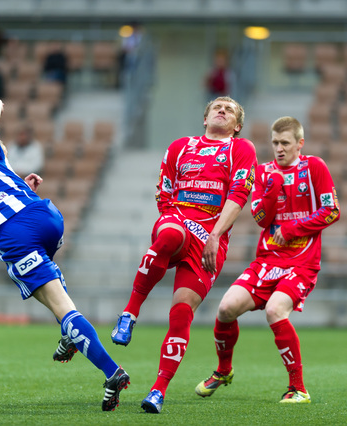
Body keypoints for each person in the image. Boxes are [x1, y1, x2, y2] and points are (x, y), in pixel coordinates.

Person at [0, 99, 129, 411]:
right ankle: (69, 336)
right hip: (47, 216)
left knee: (61, 307)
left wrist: (19, 186)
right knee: (51, 286)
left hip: (16, 235)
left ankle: (111, 371)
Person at [111, 96, 257, 413]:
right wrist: (170, 216)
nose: (222, 110)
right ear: (204, 118)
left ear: (238, 125)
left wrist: (215, 235)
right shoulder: (180, 146)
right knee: (169, 236)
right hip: (178, 219)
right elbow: (164, 189)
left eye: (229, 109)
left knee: (181, 314)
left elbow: (239, 194)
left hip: (210, 237)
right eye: (216, 107)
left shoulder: (241, 150)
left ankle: (158, 391)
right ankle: (129, 314)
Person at [194, 116, 340, 404]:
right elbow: (261, 219)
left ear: (300, 144)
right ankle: (224, 371)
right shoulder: (262, 172)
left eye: (285, 143)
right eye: (275, 143)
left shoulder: (315, 167)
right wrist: (272, 193)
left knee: (275, 311)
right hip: (267, 261)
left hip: (302, 262)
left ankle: (298, 388)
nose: (279, 149)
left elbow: (332, 211)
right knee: (225, 309)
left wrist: (293, 228)